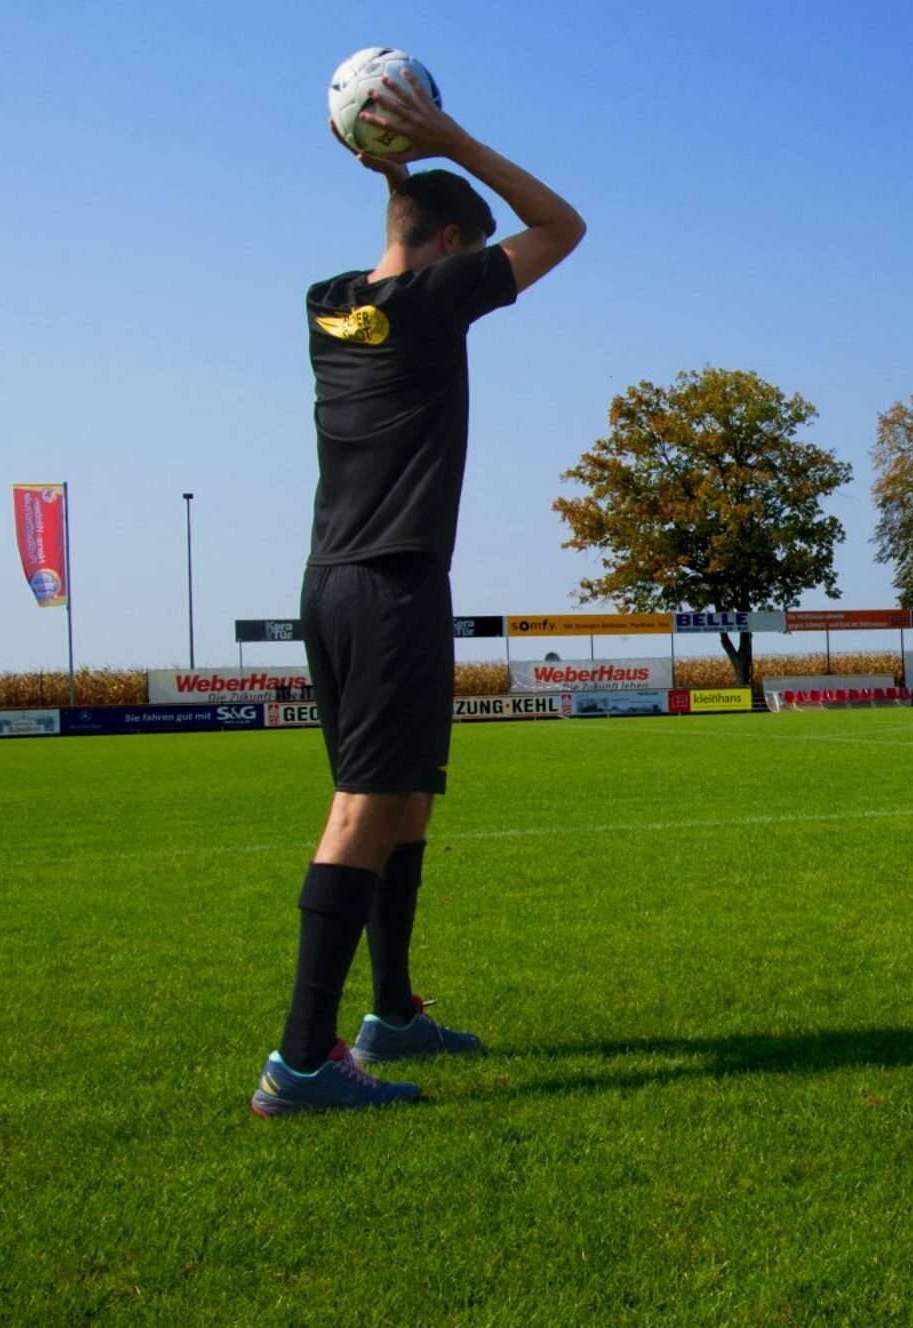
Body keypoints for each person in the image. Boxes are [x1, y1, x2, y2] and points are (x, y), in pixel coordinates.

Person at [251, 72, 586, 1116]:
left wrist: (402, 175)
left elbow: (395, 250)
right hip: (392, 583)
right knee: (360, 806)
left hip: (333, 583)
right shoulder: (439, 298)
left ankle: (391, 1009)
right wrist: (447, 136)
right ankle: (301, 1064)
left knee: (405, 794)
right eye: (466, 248)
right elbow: (563, 224)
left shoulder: (328, 305)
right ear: (452, 246)